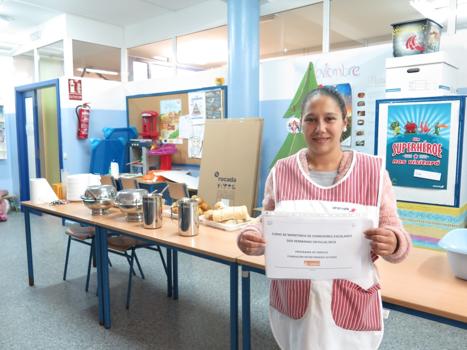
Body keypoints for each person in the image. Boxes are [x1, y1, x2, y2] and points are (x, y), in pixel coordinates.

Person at [237, 86, 411, 350]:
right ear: (301, 123)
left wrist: (395, 243)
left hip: (351, 300)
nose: (320, 128)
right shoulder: (282, 171)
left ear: (344, 122)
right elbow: (266, 220)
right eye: (311, 119)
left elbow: (395, 231)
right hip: (295, 300)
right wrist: (250, 235)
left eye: (329, 118)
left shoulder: (372, 172)